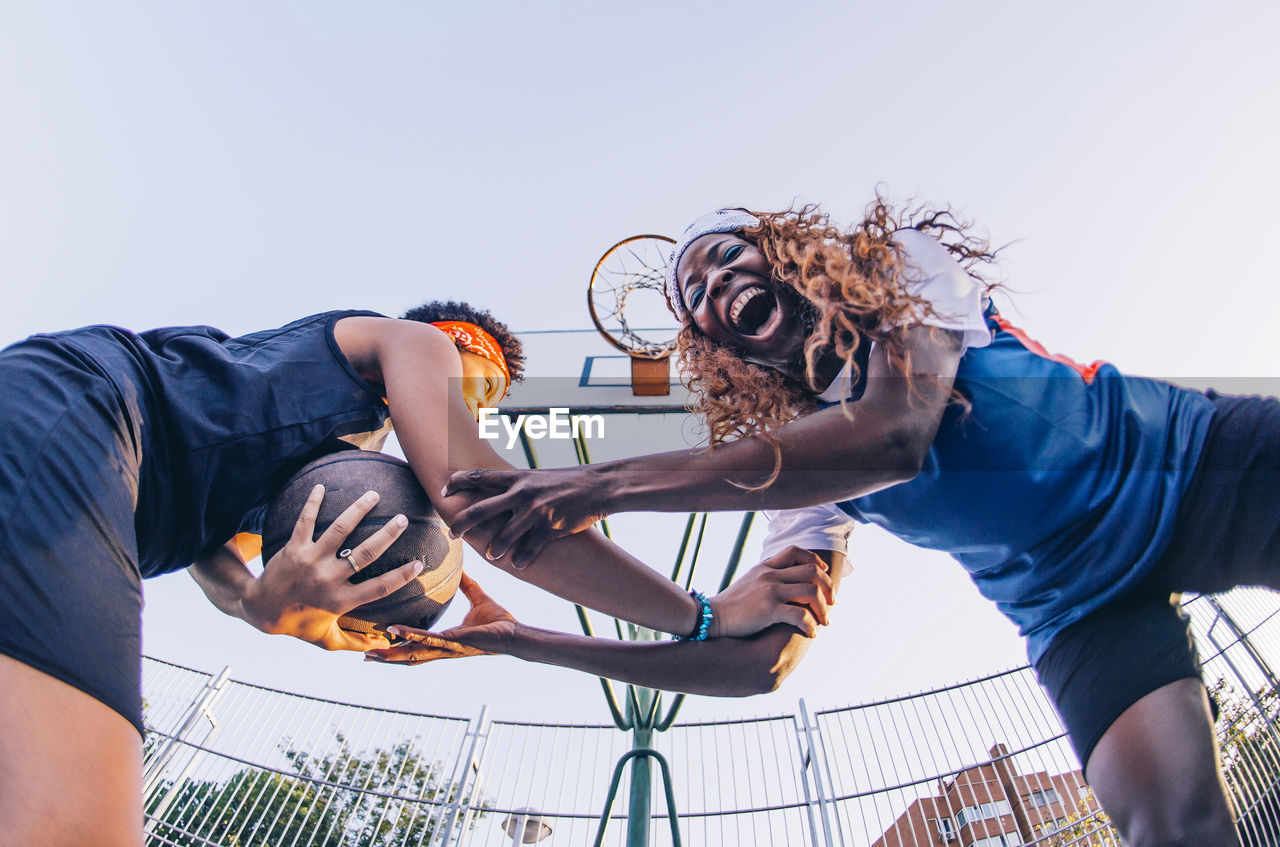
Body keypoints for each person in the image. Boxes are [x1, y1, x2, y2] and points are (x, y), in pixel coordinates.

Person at [429, 202, 1278, 846]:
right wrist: (525, 640)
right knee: (1175, 827)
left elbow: (897, 433)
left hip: (1187, 463)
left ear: (783, 252)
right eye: (695, 295)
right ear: (715, 347)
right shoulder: (800, 472)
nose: (716, 282)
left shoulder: (900, 268)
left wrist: (602, 484)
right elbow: (760, 664)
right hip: (1074, 608)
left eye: (727, 255)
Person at [0, 300, 831, 847]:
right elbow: (488, 513)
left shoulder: (324, 459)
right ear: (458, 347)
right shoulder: (411, 343)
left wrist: (262, 604)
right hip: (81, 408)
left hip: (110, 491)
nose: (477, 409)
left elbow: (213, 556)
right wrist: (703, 615)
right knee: (79, 821)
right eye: (482, 389)